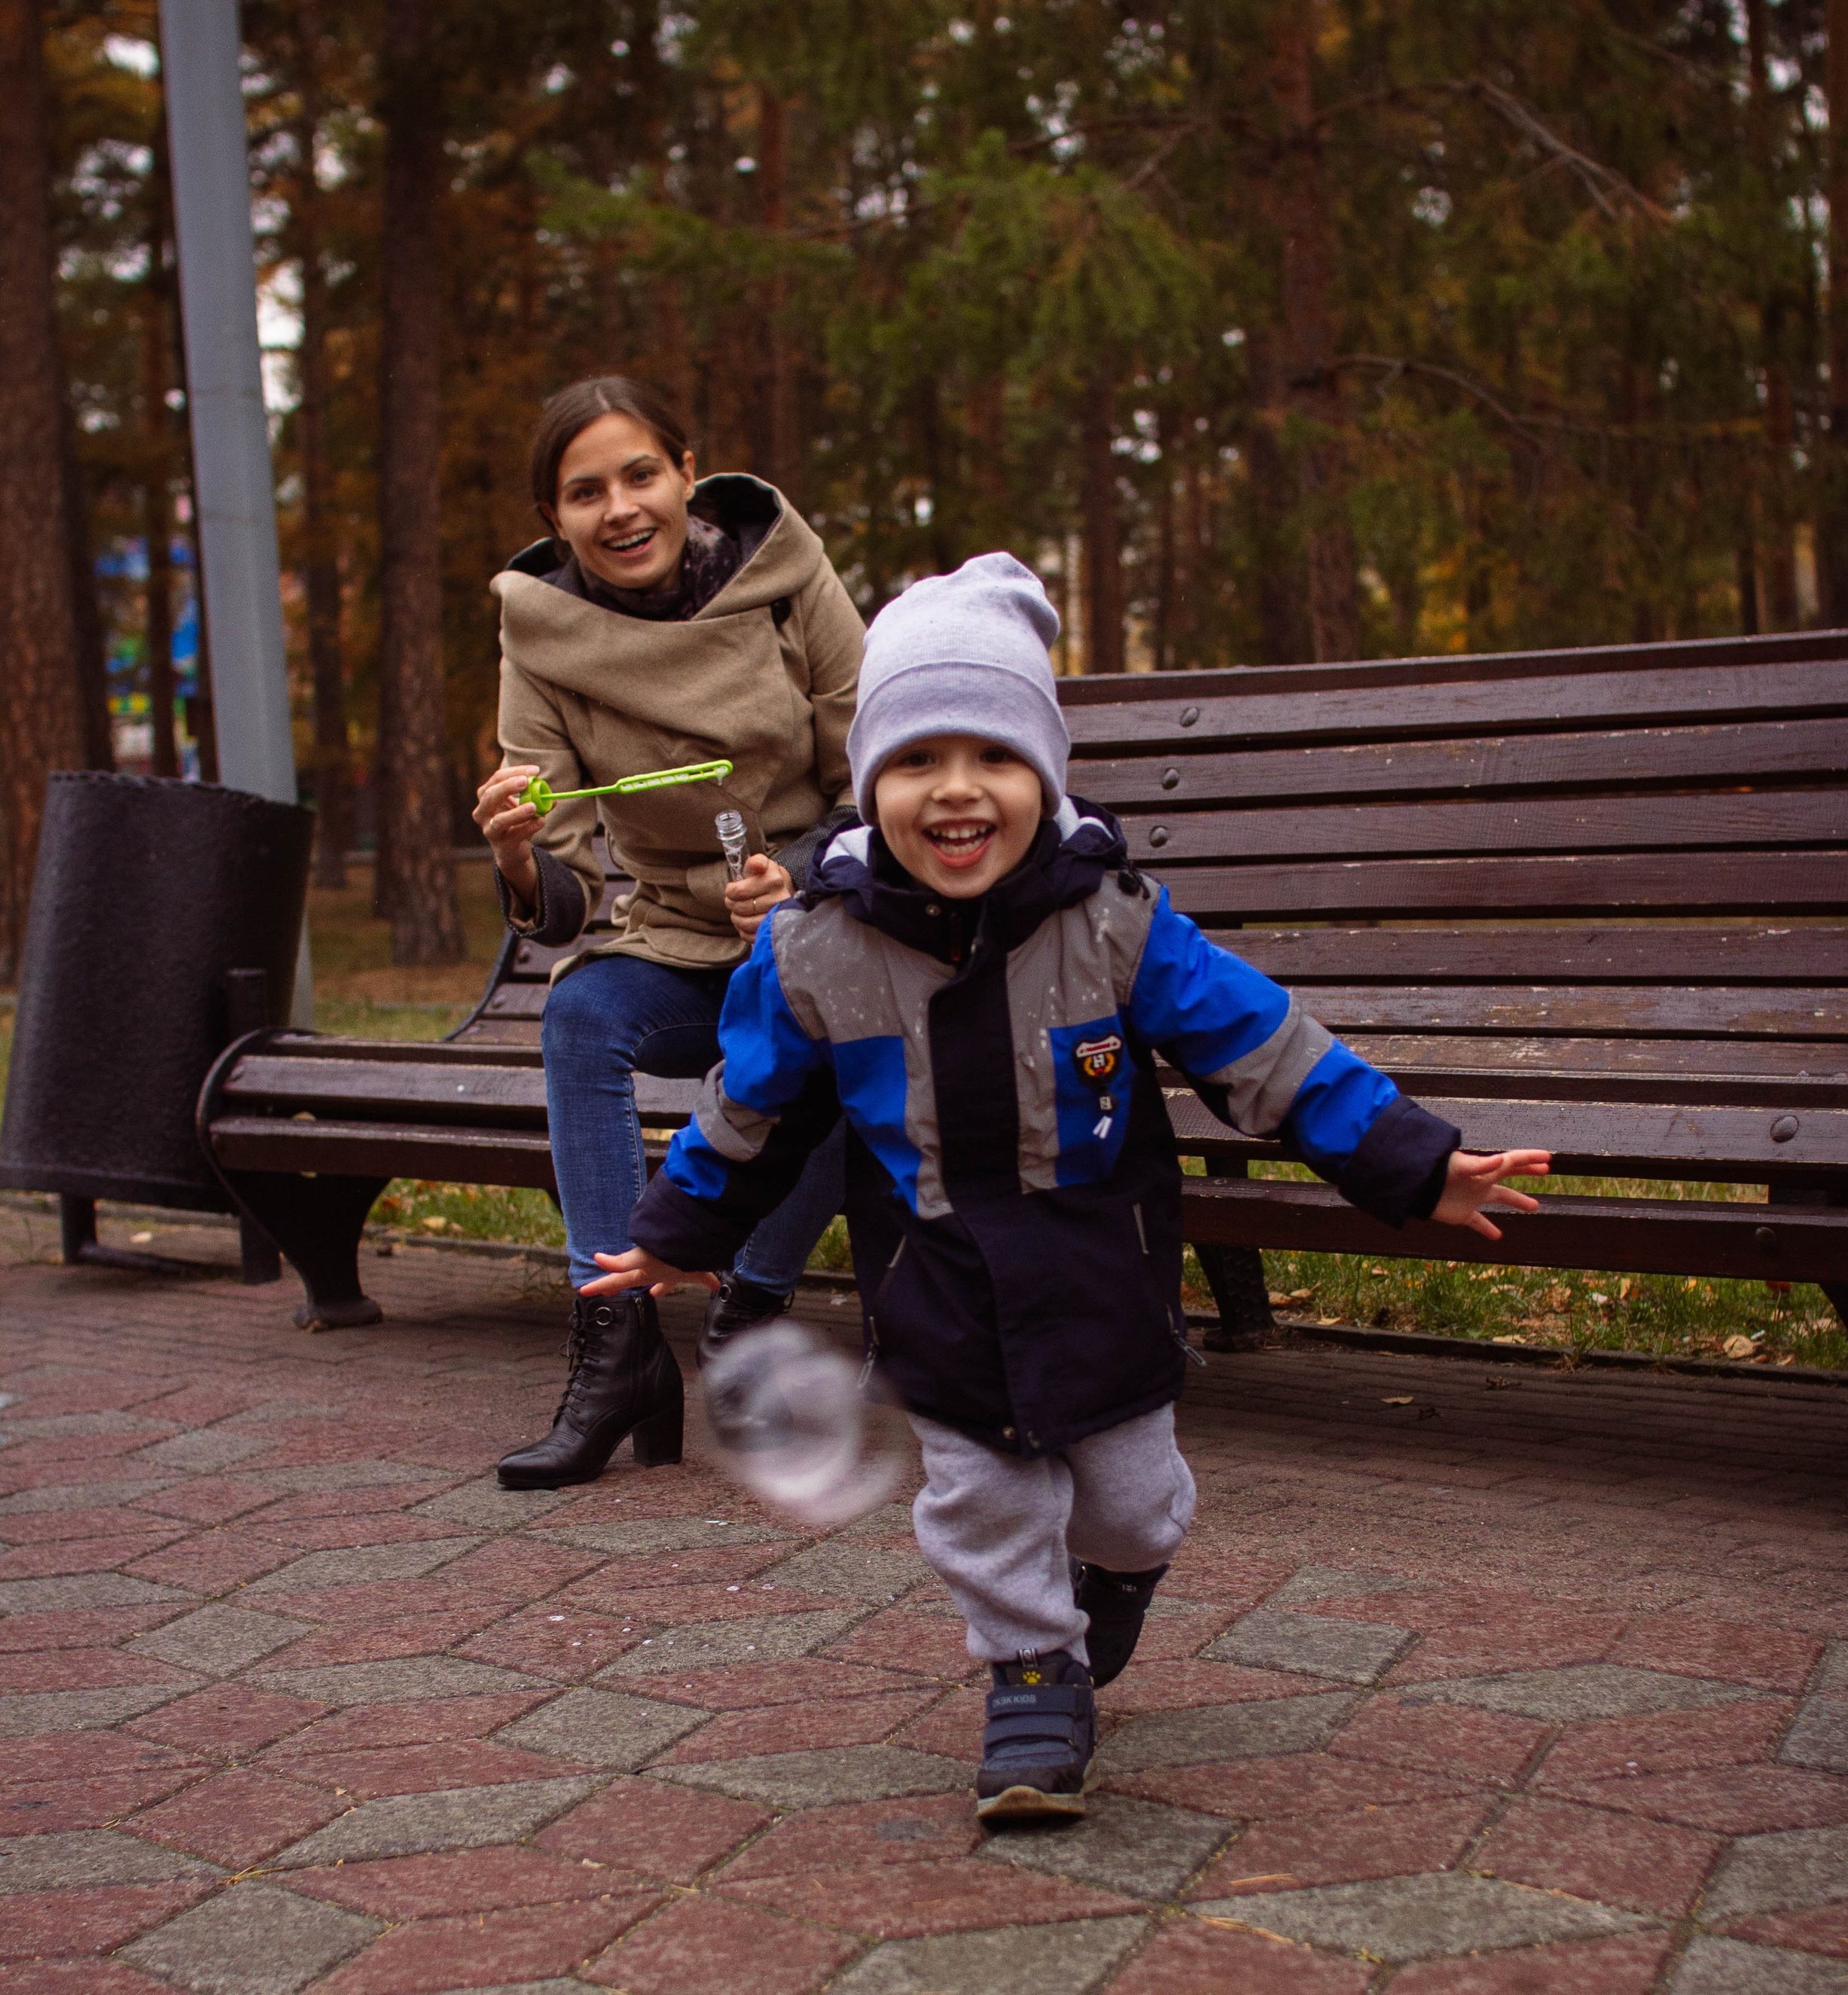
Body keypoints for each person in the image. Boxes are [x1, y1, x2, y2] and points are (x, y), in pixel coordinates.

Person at [584, 554, 1550, 1815]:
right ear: (872, 784)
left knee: (1134, 1508)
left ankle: (1112, 1583)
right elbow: (749, 1106)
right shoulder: (816, 947)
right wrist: (674, 1229)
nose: (957, 791)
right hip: (935, 1277)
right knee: (984, 1497)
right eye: (918, 761)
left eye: (992, 757)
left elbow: (1268, 1052)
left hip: (1100, 1265)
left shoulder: (1115, 926)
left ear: (1043, 773)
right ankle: (1031, 1679)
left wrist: (1417, 1165)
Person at [474, 377, 863, 1490]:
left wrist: (793, 874)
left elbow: (884, 778)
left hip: (820, 925)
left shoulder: (788, 580)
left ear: (688, 473)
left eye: (640, 474)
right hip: (678, 944)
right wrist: (515, 852)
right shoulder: (541, 632)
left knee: (855, 1037)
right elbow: (566, 900)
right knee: (582, 1012)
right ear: (556, 520)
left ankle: (752, 1304)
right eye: (584, 492)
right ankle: (618, 1348)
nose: (620, 508)